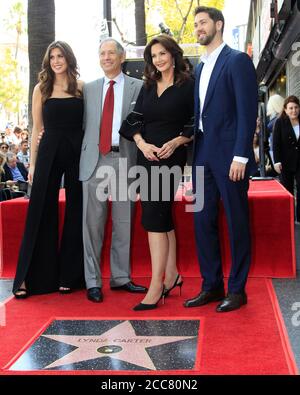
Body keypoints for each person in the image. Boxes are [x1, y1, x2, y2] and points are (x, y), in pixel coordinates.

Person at [184, 6, 258, 312]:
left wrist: (241, 154)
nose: (198, 28)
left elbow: (247, 111)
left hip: (230, 156)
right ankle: (211, 285)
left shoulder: (237, 60)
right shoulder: (198, 68)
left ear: (219, 24)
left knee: (237, 220)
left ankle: (237, 289)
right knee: (202, 221)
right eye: (196, 25)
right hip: (202, 155)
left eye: (203, 23)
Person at [119, 34, 194, 311]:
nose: (158, 59)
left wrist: (177, 141)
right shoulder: (149, 86)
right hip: (146, 156)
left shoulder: (188, 86)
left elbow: (195, 121)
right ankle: (172, 275)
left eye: (162, 53)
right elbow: (134, 120)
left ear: (173, 54)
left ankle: (156, 285)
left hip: (170, 158)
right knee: (161, 216)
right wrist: (142, 143)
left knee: (154, 219)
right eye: (154, 56)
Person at [12, 41, 85, 298]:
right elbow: (35, 129)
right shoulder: (40, 89)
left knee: (77, 210)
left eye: (60, 56)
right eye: (52, 57)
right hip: (48, 150)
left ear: (68, 58)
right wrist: (31, 163)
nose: (56, 60)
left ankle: (70, 275)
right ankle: (28, 279)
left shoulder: (81, 87)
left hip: (77, 152)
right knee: (40, 210)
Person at [79, 38, 147, 303]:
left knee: (123, 222)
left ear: (121, 57)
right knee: (91, 224)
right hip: (94, 161)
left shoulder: (138, 87)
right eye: (102, 53)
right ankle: (92, 281)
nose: (106, 57)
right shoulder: (89, 89)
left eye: (111, 53)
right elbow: (80, 124)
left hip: (125, 160)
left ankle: (120, 278)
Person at [273, 95, 300, 223]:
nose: (293, 110)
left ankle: (299, 218)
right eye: (290, 108)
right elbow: (276, 143)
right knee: (288, 190)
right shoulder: (279, 123)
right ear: (285, 109)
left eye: (296, 107)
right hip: (286, 162)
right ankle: (289, 218)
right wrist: (277, 161)